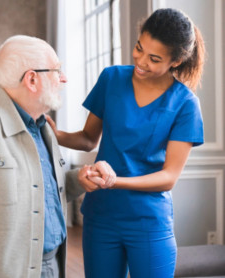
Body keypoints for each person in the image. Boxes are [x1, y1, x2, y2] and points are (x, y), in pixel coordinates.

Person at [0, 35, 115, 278]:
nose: (64, 78)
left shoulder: (43, 127)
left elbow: (38, 192)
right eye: (57, 70)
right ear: (32, 79)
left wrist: (80, 179)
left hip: (53, 264)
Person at [46, 8, 205, 278]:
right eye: (139, 48)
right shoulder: (111, 78)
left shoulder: (186, 104)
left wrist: (113, 181)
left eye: (154, 58)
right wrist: (56, 134)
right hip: (101, 215)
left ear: (175, 62)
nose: (141, 61)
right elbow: (87, 139)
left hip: (148, 220)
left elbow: (168, 177)